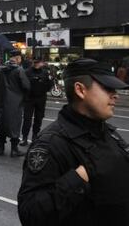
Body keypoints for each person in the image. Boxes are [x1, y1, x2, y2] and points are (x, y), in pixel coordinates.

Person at [18, 58, 129, 226]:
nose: (115, 95)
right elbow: (31, 214)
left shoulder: (109, 133)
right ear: (80, 90)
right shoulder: (51, 143)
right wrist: (81, 176)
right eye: (107, 88)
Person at [0, 49, 30, 157]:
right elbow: (26, 86)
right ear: (18, 58)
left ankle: (1, 148)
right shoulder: (19, 70)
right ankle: (14, 149)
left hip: (2, 101)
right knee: (15, 125)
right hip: (16, 102)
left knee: (2, 123)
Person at [20, 58, 53, 146]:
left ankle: (35, 136)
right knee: (27, 119)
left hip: (41, 98)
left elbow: (50, 84)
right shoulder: (27, 72)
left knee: (39, 118)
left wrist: (43, 89)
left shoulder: (45, 72)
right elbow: (23, 85)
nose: (37, 64)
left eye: (39, 62)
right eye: (36, 62)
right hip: (29, 98)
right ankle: (24, 138)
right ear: (33, 63)